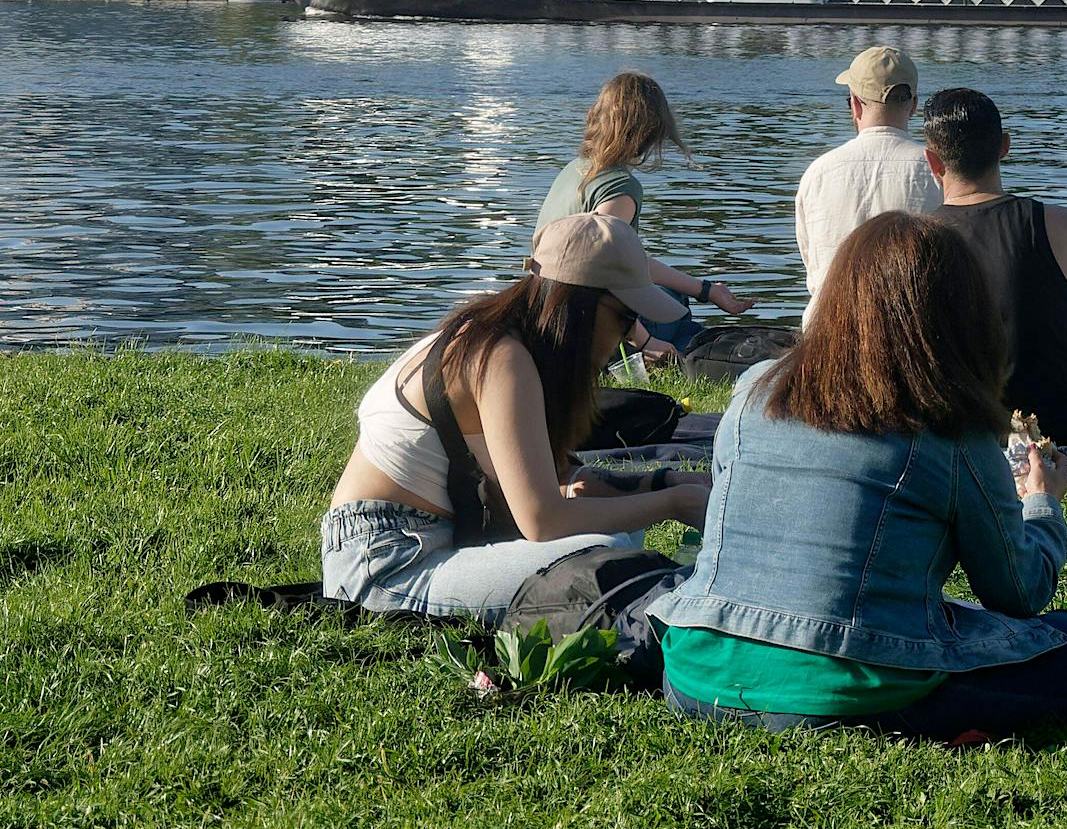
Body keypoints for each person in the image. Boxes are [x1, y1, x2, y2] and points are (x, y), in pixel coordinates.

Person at [652, 212, 1067, 737]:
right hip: (835, 692)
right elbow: (1016, 593)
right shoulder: (948, 425)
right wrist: (1042, 501)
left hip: (695, 675)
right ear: (962, 313)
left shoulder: (755, 387)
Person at [323, 214, 709, 623]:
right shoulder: (499, 357)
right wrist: (674, 502)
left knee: (618, 540)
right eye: (625, 317)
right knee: (609, 552)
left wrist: (666, 481)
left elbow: (563, 481)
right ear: (579, 305)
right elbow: (543, 519)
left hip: (423, 542)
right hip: (386, 565)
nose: (628, 336)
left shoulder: (505, 340)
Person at [924, 88, 1067, 448]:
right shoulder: (1063, 225)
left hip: (954, 438)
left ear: (933, 162)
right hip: (1057, 432)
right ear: (1004, 146)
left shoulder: (910, 240)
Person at [538, 72, 752, 358]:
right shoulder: (621, 189)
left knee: (673, 295)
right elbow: (598, 273)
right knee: (680, 318)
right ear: (649, 132)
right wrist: (646, 342)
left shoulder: (575, 169)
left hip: (545, 308)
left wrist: (706, 289)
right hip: (582, 325)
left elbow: (626, 261)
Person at [795, 46, 940, 310]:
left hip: (828, 332)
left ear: (855, 104)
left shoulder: (818, 172)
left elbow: (813, 265)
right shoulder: (939, 170)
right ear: (914, 105)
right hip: (914, 331)